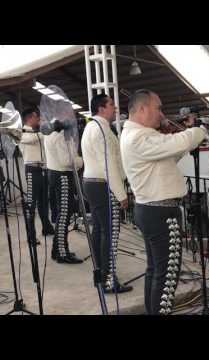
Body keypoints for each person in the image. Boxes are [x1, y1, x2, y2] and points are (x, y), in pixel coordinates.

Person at [120, 89, 206, 315]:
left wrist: (183, 139)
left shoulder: (140, 135)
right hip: (160, 213)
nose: (161, 114)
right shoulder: (139, 137)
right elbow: (176, 144)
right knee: (167, 274)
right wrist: (198, 130)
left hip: (153, 210)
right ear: (141, 109)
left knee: (156, 270)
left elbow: (167, 156)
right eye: (157, 108)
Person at [81, 94, 132, 294]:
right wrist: (121, 194)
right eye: (111, 105)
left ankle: (101, 275)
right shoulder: (100, 129)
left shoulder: (91, 126)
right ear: (101, 108)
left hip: (93, 183)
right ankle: (109, 281)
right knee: (110, 233)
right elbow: (108, 163)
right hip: (102, 184)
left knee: (100, 231)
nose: (115, 108)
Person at [44, 114, 84, 264]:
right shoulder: (60, 135)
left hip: (55, 174)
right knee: (64, 215)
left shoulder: (49, 133)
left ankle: (58, 249)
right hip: (63, 175)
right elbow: (67, 161)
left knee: (63, 214)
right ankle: (61, 252)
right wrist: (81, 160)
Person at [19, 107, 54, 245]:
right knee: (31, 205)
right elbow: (32, 140)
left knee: (43, 203)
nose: (39, 119)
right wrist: (46, 129)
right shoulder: (21, 132)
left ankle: (46, 227)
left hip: (42, 170)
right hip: (32, 170)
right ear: (30, 118)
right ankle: (31, 235)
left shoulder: (36, 132)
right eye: (37, 117)